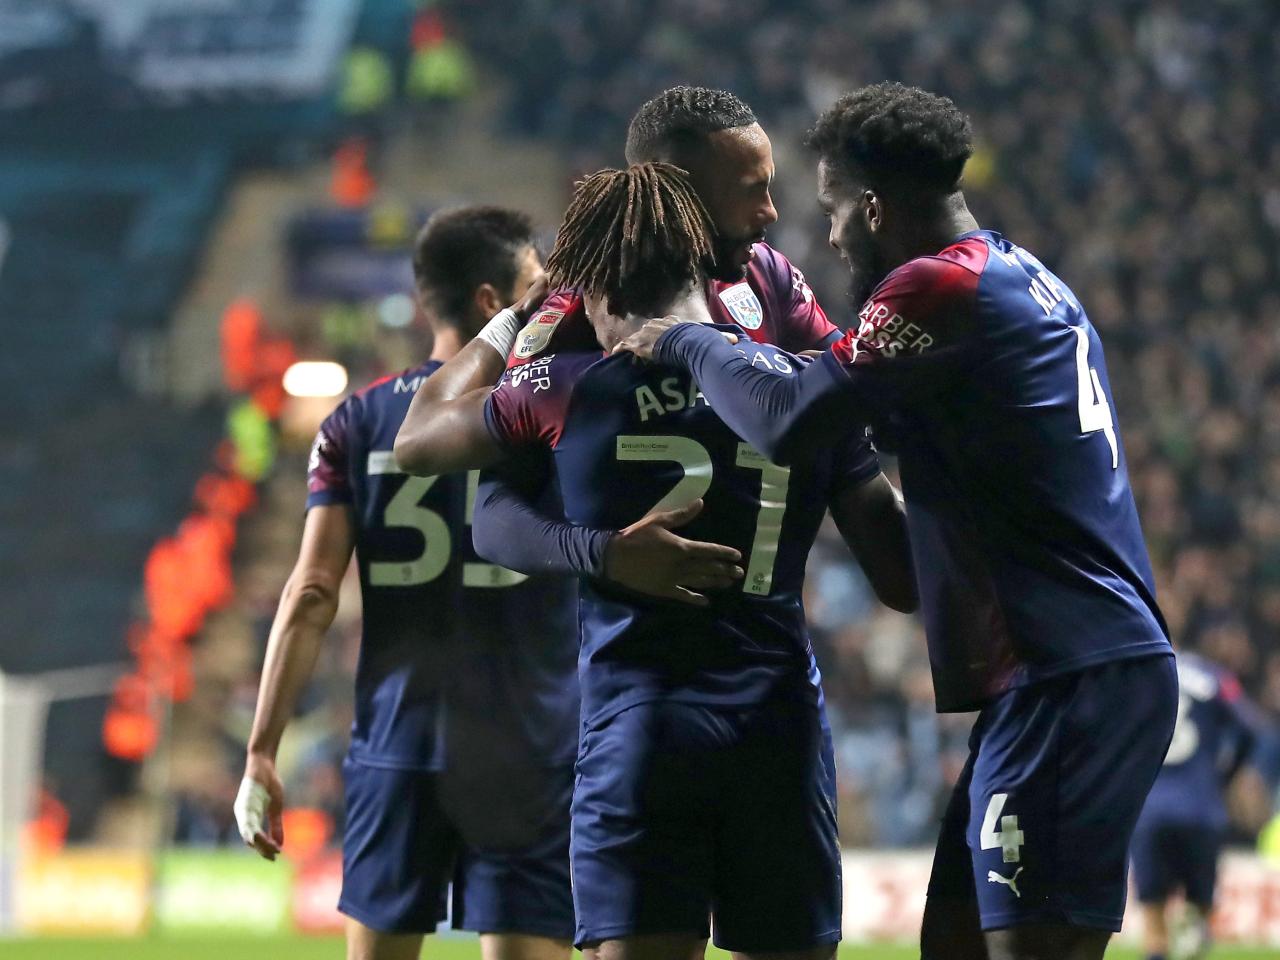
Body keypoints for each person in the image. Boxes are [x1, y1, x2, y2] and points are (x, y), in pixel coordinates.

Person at [616, 82, 1179, 960]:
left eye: (835, 208)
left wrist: (688, 334)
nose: (828, 232)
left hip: (1068, 672)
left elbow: (787, 418)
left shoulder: (936, 287)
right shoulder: (1020, 275)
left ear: (874, 206)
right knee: (951, 942)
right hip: (1065, 670)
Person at [393, 161, 916, 960]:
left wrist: (600, 553)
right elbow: (899, 569)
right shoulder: (804, 388)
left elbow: (431, 452)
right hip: (779, 727)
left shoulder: (563, 385)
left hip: (642, 731)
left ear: (598, 289)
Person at [235, 207, 577, 960]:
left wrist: (263, 750)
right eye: (533, 285)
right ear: (494, 302)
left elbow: (313, 593)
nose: (548, 298)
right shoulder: (554, 411)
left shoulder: (355, 423)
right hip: (530, 745)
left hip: (400, 744)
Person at [393, 87, 843, 600]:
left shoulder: (767, 276)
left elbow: (851, 389)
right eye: (750, 190)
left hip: (772, 634)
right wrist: (602, 552)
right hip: (622, 656)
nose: (770, 212)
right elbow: (494, 506)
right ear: (679, 191)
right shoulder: (574, 316)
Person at [1131, 650, 1271, 960]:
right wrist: (1224, 776)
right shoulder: (1212, 676)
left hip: (1150, 809)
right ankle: (1194, 941)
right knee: (1199, 913)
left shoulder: (1140, 674)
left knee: (1155, 924)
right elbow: (1249, 728)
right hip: (1201, 807)